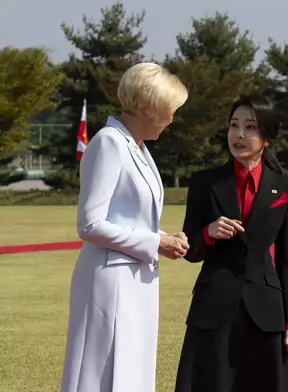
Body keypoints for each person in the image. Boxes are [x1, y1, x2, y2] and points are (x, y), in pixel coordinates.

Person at [60, 63, 190, 392]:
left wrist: (164, 238)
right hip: (110, 281)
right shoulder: (108, 143)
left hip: (136, 278)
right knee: (100, 374)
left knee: (132, 370)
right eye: (169, 110)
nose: (171, 120)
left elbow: (130, 217)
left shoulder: (139, 149)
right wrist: (154, 242)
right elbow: (89, 224)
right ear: (150, 107)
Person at [175, 94, 288, 392]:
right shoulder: (205, 182)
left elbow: (287, 259)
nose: (239, 134)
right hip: (213, 306)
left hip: (266, 312)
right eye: (234, 125)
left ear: (267, 137)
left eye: (250, 127)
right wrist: (208, 232)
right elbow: (189, 249)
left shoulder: (285, 188)